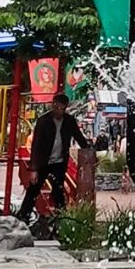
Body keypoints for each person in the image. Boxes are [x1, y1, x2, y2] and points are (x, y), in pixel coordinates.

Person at [17, 93, 91, 221]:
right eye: (57, 108)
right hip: (42, 162)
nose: (59, 111)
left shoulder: (69, 121)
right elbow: (36, 145)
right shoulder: (43, 121)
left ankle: (60, 219)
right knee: (33, 190)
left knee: (58, 191)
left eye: (62, 109)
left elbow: (79, 137)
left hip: (59, 162)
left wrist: (89, 149)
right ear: (53, 105)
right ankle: (23, 217)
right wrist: (33, 169)